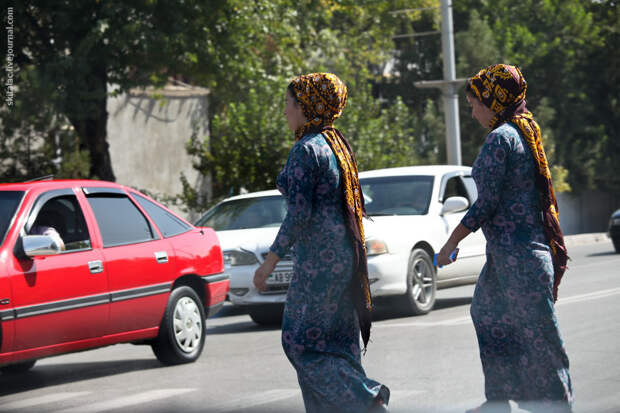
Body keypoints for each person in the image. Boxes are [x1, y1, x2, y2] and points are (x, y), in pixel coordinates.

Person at [437, 64, 573, 413]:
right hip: (508, 257)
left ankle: (558, 405)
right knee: (486, 314)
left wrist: (451, 242)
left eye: (473, 104)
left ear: (492, 102)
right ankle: (500, 399)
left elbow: (487, 203)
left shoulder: (502, 137)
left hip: (521, 259)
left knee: (539, 338)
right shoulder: (524, 128)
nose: (472, 112)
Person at [253, 73, 390, 413]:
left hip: (318, 261)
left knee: (300, 344)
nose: (285, 111)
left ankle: (367, 399)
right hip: (344, 256)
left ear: (305, 107)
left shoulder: (306, 149)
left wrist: (270, 262)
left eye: (288, 104)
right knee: (338, 345)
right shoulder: (336, 145)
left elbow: (299, 215)